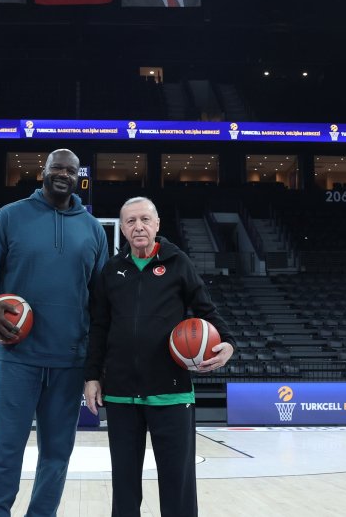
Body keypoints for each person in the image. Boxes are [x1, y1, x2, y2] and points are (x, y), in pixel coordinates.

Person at [0, 148, 108, 517]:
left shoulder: (92, 229)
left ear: (79, 177)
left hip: (69, 359)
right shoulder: (10, 216)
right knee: (3, 447)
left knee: (58, 453)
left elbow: (102, 301)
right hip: (17, 354)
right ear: (42, 171)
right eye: (56, 167)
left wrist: (97, 363)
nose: (63, 174)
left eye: (71, 170)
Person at [84, 197, 234, 517]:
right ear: (122, 229)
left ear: (157, 224)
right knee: (124, 485)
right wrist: (92, 375)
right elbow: (99, 327)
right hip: (122, 393)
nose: (138, 226)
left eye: (144, 220)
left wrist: (229, 342)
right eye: (130, 221)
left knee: (177, 483)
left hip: (172, 390)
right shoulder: (111, 271)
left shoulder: (178, 263)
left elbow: (206, 309)